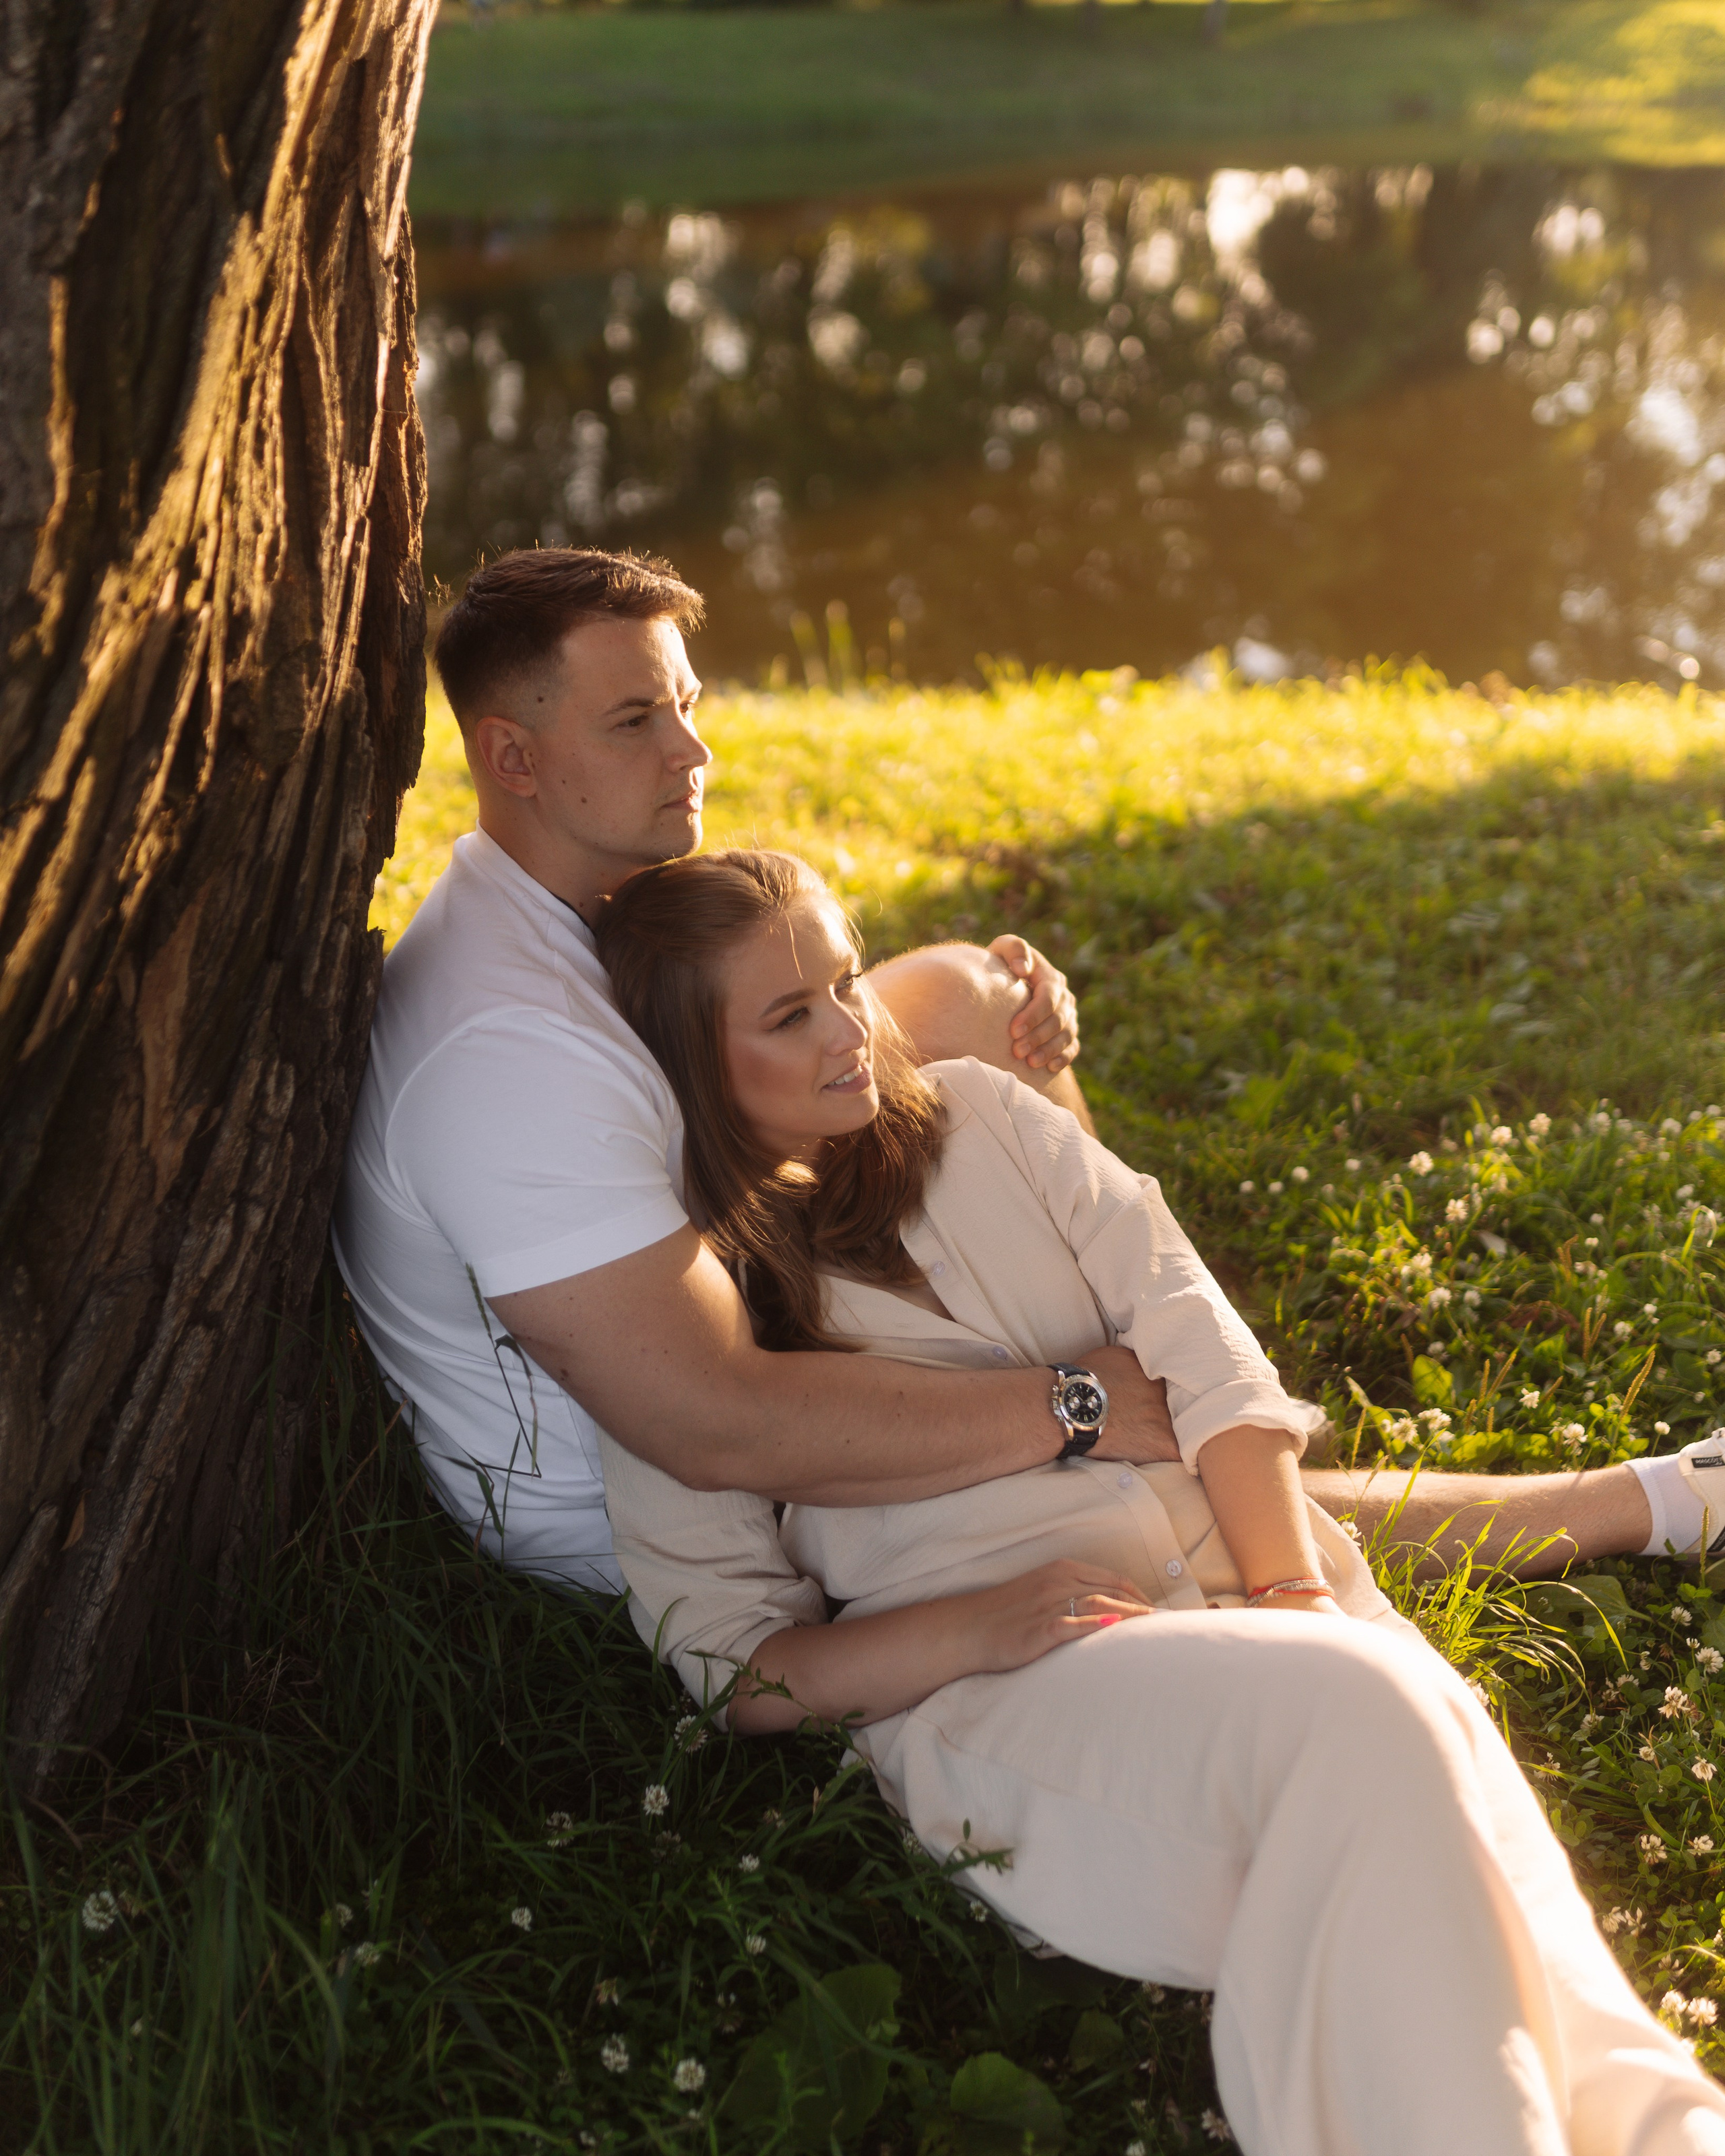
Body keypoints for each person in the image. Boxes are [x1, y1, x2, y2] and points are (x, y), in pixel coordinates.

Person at [588, 845, 1725, 2156]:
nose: (851, 1032)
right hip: (1020, 1694)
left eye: (845, 981)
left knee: (1430, 1769)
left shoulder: (979, 1117)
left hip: (1253, 1579)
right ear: (689, 1065)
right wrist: (971, 1630)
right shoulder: (678, 1321)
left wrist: (1297, 1584)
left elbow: (1198, 1340)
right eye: (790, 1015)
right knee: (1373, 1716)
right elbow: (739, 1670)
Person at [334, 546, 1181, 1594]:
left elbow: (792, 1009)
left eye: (688, 703)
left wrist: (999, 989)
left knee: (969, 1002)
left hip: (720, 1325)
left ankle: (1180, 1379)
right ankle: (1172, 1425)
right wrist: (1069, 1406)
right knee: (1258, 1507)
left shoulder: (567, 902)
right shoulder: (510, 1055)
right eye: (635, 721)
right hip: (667, 1516)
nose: (693, 750)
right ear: (512, 758)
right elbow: (715, 1427)